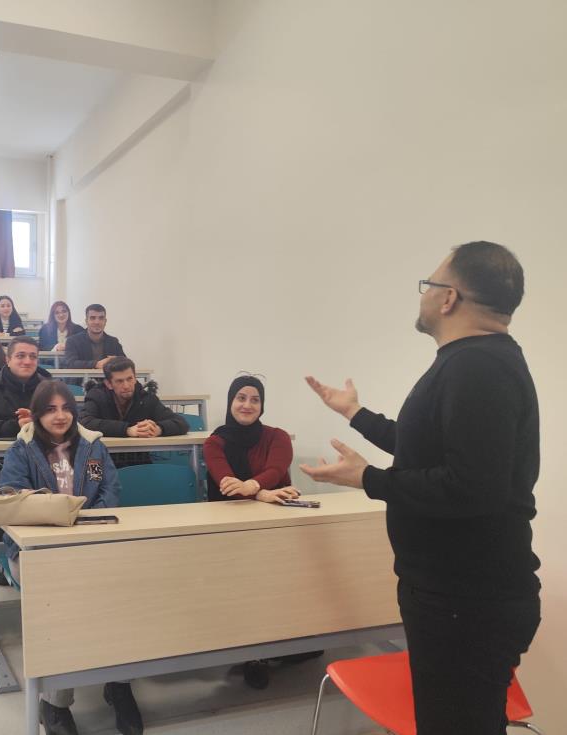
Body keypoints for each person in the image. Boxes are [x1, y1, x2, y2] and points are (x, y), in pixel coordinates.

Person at [302, 241, 541, 735]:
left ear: (448, 297)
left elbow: (472, 488)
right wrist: (355, 413)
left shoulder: (478, 367)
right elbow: (428, 449)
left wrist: (368, 479)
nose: (424, 294)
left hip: (466, 603)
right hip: (458, 597)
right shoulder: (474, 361)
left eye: (428, 284)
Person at [0, 380, 141, 735]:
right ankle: (55, 702)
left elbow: (107, 489)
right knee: (64, 603)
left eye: (66, 408)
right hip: (36, 550)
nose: (59, 416)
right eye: (50, 409)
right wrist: (58, 521)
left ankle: (119, 683)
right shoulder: (23, 449)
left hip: (90, 541)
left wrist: (86, 525)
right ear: (37, 414)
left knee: (125, 591)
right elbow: (15, 498)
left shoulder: (91, 448)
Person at [203, 374, 306, 689]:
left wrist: (250, 485)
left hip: (276, 524)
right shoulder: (215, 442)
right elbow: (225, 483)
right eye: (241, 398)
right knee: (247, 588)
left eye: (255, 399)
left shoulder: (277, 437)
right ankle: (253, 654)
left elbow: (277, 468)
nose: (247, 405)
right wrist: (260, 492)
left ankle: (283, 640)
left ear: (262, 405)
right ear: (230, 401)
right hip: (232, 527)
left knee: (280, 585)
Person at [79, 357, 188, 467]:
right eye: (119, 381)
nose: (126, 386)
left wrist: (158, 429)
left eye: (129, 379)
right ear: (109, 384)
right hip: (99, 461)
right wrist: (127, 430)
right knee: (92, 475)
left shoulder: (147, 398)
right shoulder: (96, 395)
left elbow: (181, 423)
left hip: (138, 462)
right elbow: (84, 422)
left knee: (155, 477)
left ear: (135, 379)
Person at [62, 304, 125, 369]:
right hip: (83, 376)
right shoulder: (73, 341)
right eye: (92, 318)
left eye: (101, 318)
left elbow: (126, 363)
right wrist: (96, 364)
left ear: (105, 321)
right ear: (86, 321)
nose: (97, 322)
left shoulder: (113, 342)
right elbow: (70, 363)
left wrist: (117, 360)